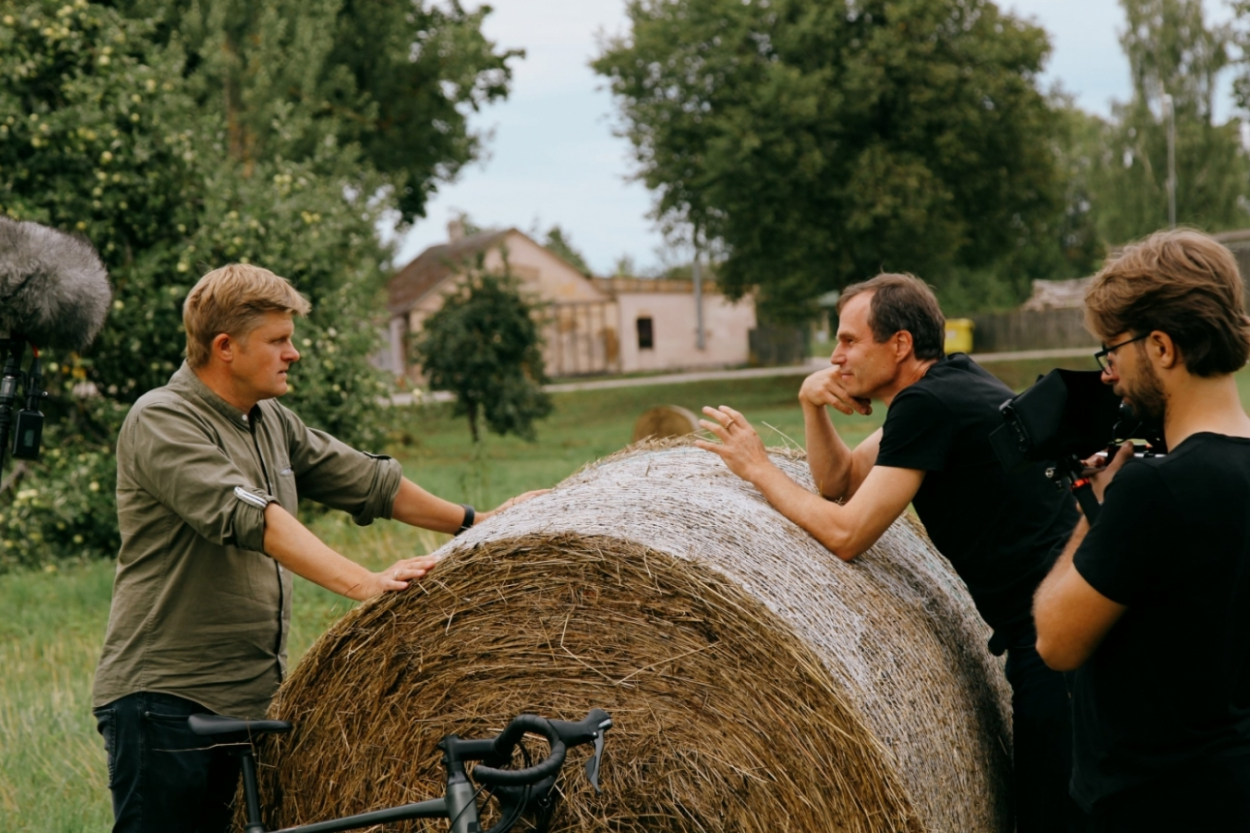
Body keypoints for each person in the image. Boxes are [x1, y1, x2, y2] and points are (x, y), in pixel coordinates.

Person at [91, 264, 542, 833]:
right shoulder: (162, 418)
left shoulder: (268, 419)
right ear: (225, 347)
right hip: (165, 705)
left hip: (253, 703)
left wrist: (475, 522)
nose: (293, 353)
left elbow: (363, 479)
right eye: (278, 341)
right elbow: (255, 518)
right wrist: (367, 585)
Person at [695, 273, 1083, 832]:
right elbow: (842, 481)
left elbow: (848, 534)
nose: (835, 357)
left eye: (850, 340)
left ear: (899, 345)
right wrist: (814, 405)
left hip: (1055, 642)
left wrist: (759, 468)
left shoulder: (929, 405)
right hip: (1062, 620)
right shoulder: (945, 387)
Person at [1033, 230, 1250, 831]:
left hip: (1155, 800)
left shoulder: (1154, 489)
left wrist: (1092, 508)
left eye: (1113, 350)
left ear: (1160, 347)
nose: (1108, 374)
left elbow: (1056, 639)